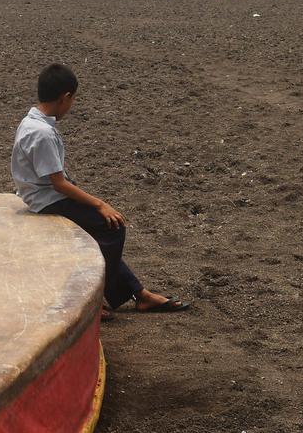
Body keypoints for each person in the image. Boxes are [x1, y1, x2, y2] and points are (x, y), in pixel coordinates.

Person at [11, 63, 190, 317]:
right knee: (112, 227)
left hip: (38, 194)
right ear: (66, 97)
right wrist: (99, 203)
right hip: (46, 200)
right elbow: (59, 184)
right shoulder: (42, 134)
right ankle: (90, 298)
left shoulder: (31, 122)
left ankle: (140, 294)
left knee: (103, 230)